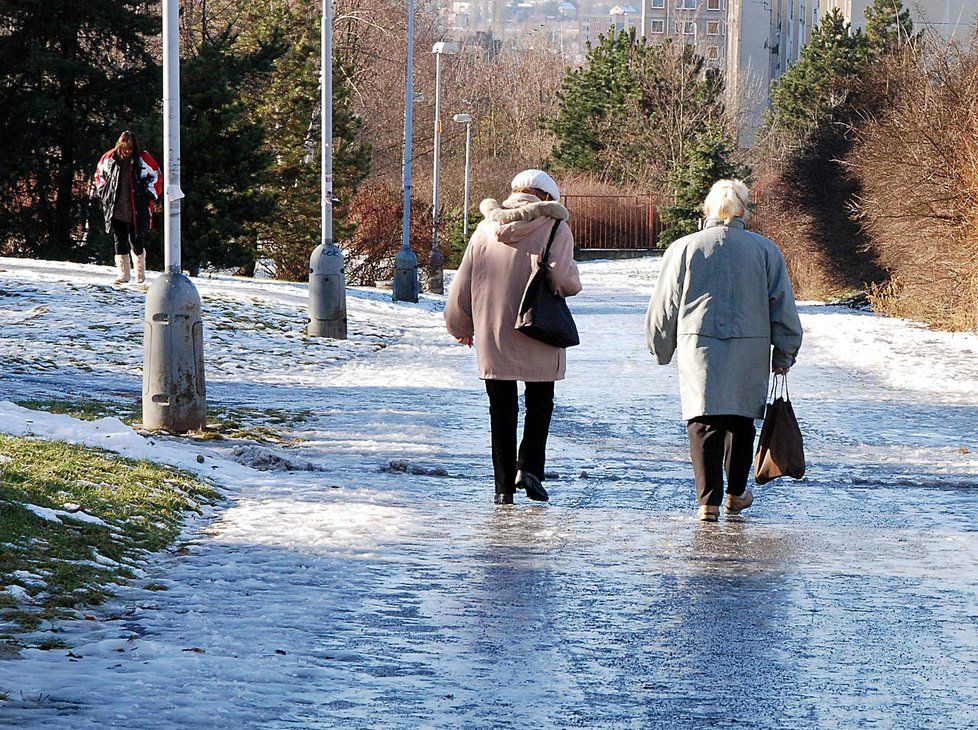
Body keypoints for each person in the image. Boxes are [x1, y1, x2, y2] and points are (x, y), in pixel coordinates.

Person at [646, 179, 803, 522]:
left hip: (697, 344)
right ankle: (734, 494)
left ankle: (708, 502)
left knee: (703, 418)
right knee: (740, 418)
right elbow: (782, 304)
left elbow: (665, 305)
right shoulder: (765, 250)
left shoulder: (684, 248)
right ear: (744, 210)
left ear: (706, 210)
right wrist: (785, 352)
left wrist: (661, 347)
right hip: (750, 346)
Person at [445, 169, 582, 505]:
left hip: (494, 330)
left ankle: (503, 487)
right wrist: (572, 279)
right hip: (539, 327)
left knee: (500, 408)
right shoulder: (555, 227)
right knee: (540, 403)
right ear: (546, 197)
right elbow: (564, 280)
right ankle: (529, 467)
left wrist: (460, 326)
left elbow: (463, 282)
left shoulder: (485, 227)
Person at [94, 131, 162, 284]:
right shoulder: (109, 158)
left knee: (137, 241)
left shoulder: (143, 159)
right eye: (125, 148)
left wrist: (150, 194)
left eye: (130, 148)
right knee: (119, 240)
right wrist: (104, 193)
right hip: (116, 208)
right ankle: (123, 275)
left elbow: (157, 176)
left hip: (137, 207)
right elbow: (99, 176)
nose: (127, 151)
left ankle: (140, 275)